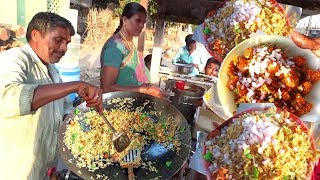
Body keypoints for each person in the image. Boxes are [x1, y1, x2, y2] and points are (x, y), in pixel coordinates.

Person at [0, 12, 103, 179]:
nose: (64, 49)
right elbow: (8, 98)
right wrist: (75, 86)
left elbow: (64, 114)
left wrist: (91, 122)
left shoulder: (53, 72)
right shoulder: (14, 58)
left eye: (67, 43)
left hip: (45, 170)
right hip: (16, 172)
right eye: (58, 40)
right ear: (35, 35)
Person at [100, 2, 168, 99]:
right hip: (115, 105)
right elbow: (106, 87)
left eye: (143, 23)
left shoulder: (129, 43)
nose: (141, 26)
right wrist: (145, 90)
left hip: (129, 101)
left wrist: (148, 87)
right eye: (137, 20)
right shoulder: (115, 47)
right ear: (125, 20)